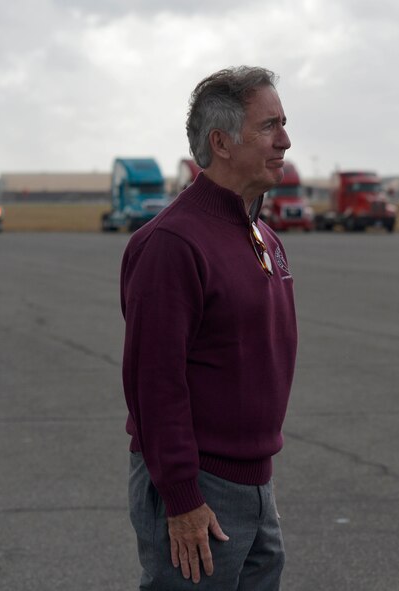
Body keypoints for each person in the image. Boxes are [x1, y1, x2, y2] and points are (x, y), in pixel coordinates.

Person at [121, 66, 296, 589]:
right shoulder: (173, 244)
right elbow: (155, 383)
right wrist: (182, 499)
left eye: (284, 123)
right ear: (221, 142)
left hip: (254, 485)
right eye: (269, 127)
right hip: (199, 489)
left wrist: (259, 493)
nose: (285, 140)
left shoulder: (261, 233)